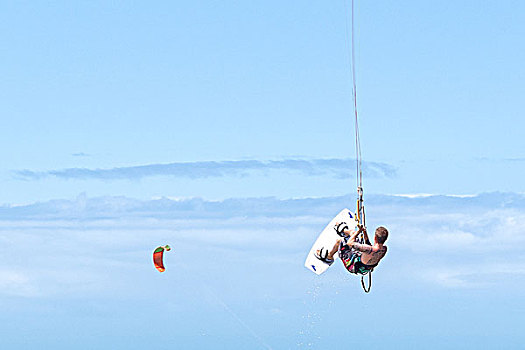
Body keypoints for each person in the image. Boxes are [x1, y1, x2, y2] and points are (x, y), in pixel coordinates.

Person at [316, 224, 388, 273]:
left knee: (340, 241)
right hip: (364, 266)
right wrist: (364, 232)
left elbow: (349, 243)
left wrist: (358, 232)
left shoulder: (369, 249)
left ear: (375, 237)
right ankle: (344, 232)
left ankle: (329, 257)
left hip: (352, 265)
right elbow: (369, 247)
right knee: (353, 233)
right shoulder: (384, 249)